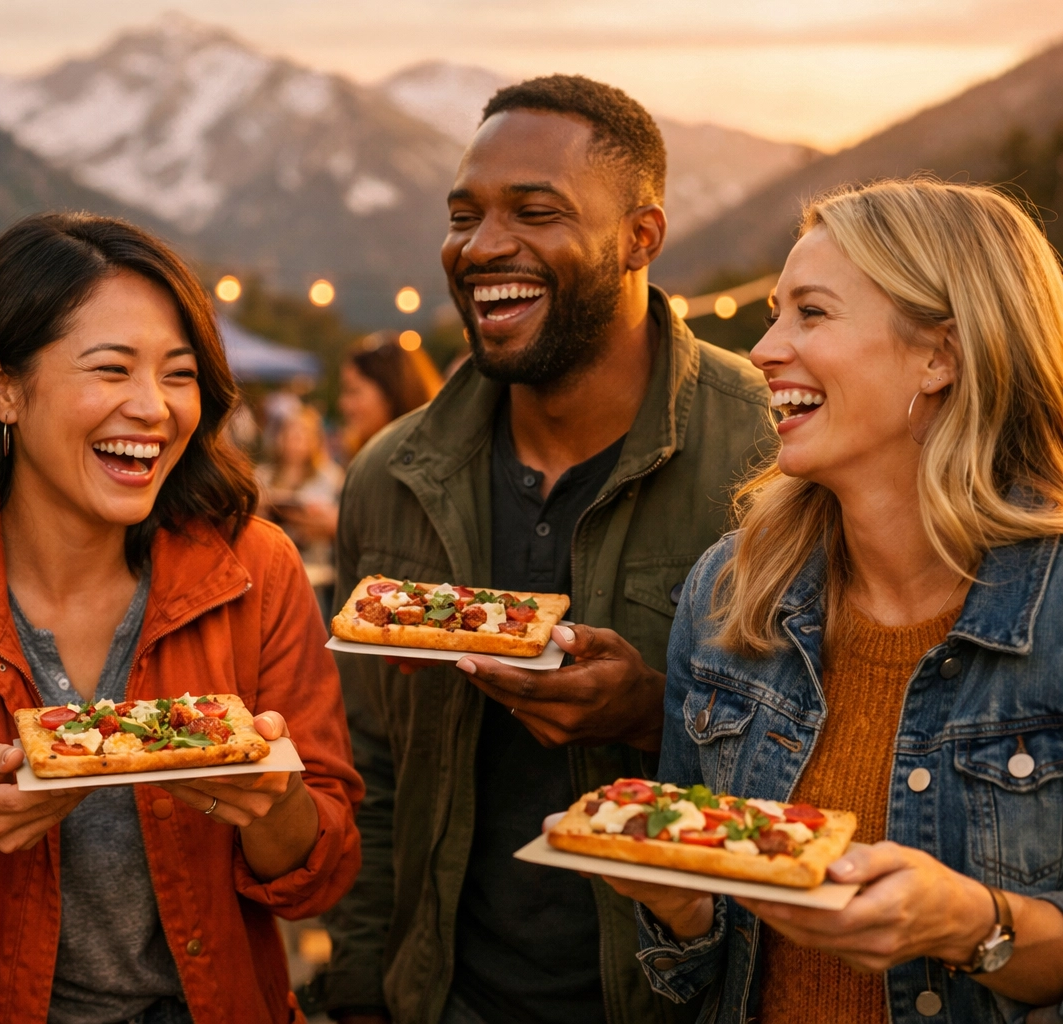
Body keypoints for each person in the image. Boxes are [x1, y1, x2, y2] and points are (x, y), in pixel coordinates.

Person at [0, 213, 363, 1023]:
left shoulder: (256, 570)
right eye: (111, 370)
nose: (154, 409)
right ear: (2, 386)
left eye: (178, 374)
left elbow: (322, 870)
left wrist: (275, 804)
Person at [319, 75, 774, 1024]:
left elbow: (867, 760)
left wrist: (656, 713)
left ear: (641, 237)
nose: (483, 247)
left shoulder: (772, 458)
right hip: (447, 1001)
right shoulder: (389, 477)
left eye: (535, 211)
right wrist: (361, 998)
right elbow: (373, 774)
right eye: (463, 214)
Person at [608, 180, 1063, 1022]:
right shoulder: (728, 592)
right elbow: (694, 970)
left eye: (811, 314)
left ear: (940, 356)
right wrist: (679, 903)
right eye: (775, 312)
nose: (767, 348)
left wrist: (976, 926)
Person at [258, 404, 345, 605]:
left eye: (302, 435)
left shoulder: (331, 477)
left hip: (314, 570)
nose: (295, 442)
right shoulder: (263, 475)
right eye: (290, 434)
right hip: (269, 564)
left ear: (315, 440)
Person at [337, 331, 441, 456]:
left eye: (354, 391)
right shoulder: (365, 456)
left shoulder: (425, 461)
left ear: (392, 392)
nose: (342, 403)